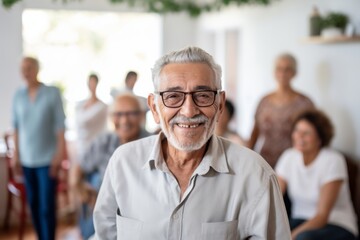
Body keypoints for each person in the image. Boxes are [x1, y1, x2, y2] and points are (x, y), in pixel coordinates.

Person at [93, 46, 291, 239]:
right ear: (154, 108)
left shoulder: (256, 176)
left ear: (220, 105)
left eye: (203, 96)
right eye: (173, 96)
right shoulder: (123, 163)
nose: (189, 111)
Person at [74, 93, 150, 239]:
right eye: (119, 114)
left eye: (131, 114)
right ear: (111, 117)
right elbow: (78, 168)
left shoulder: (151, 144)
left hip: (138, 212)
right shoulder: (104, 141)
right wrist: (80, 186)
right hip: (101, 205)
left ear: (141, 116)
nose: (124, 120)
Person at [275, 109, 358, 240]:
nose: (299, 136)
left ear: (320, 138)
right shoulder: (289, 157)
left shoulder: (333, 160)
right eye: (297, 130)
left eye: (306, 133)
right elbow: (274, 195)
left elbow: (322, 216)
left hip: (336, 224)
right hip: (299, 219)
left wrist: (292, 236)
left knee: (302, 238)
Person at [12, 57, 66, 240]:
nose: (25, 72)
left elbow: (60, 127)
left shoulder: (52, 93)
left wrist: (59, 156)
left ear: (36, 69)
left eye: (29, 68)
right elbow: (16, 128)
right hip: (26, 160)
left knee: (46, 207)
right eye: (23, 68)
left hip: (47, 160)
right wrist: (15, 155)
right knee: (33, 204)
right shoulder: (18, 96)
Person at [248, 53, 314, 168]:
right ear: (274, 72)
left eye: (287, 69)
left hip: (293, 165)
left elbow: (312, 136)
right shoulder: (264, 101)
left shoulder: (305, 103)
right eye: (279, 69)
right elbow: (255, 133)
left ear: (294, 73)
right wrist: (247, 159)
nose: (283, 73)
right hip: (265, 162)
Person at [75, 73, 107, 161]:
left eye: (94, 83)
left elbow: (83, 122)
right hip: (81, 148)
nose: (92, 85)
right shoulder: (81, 105)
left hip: (96, 150)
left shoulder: (102, 107)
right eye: (90, 83)